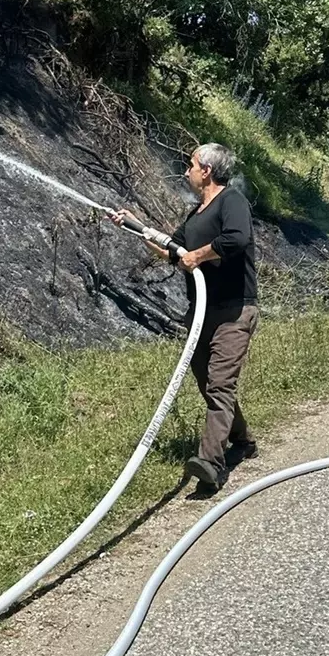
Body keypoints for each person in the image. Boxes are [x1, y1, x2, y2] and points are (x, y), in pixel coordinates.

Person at [111, 142, 259, 494]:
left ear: (206, 170)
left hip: (234, 310)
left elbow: (237, 239)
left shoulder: (231, 201)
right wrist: (135, 227)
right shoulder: (195, 215)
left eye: (191, 164)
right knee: (209, 384)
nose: (186, 170)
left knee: (220, 383)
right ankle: (243, 440)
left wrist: (199, 256)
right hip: (201, 313)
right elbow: (172, 252)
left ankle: (210, 463)